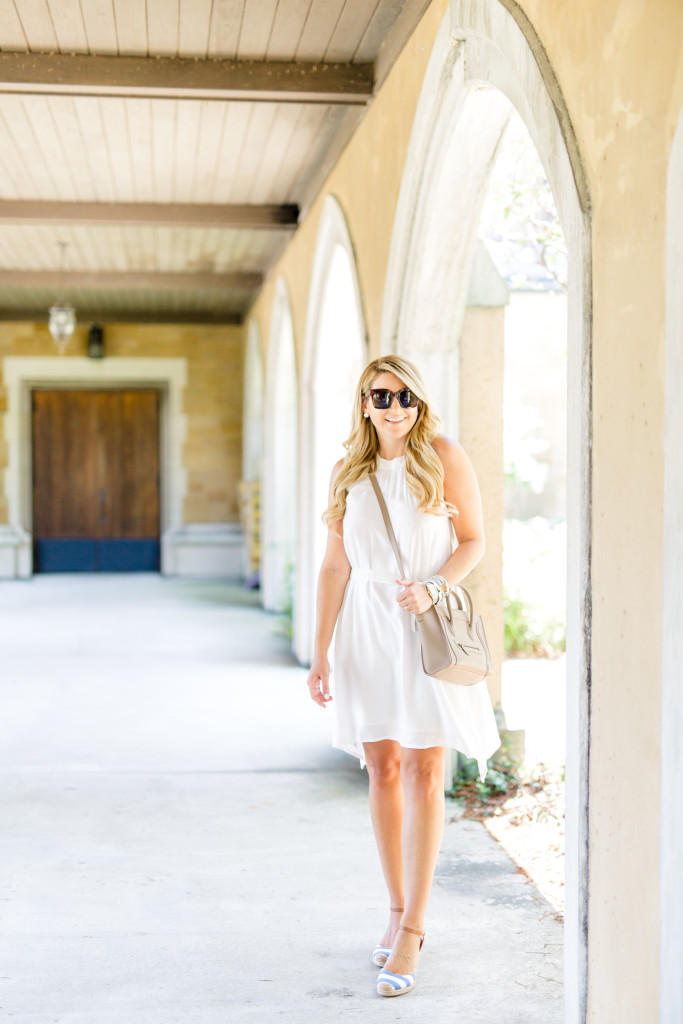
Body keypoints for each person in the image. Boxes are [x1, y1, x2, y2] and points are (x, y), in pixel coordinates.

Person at [306, 355, 500, 998]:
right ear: (364, 403)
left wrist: (434, 586)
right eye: (382, 397)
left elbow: (472, 539)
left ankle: (414, 928)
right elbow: (335, 567)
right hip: (365, 630)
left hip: (422, 625)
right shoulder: (346, 472)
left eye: (406, 397)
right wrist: (319, 652)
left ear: (419, 403)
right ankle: (393, 909)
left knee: (425, 768)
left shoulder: (443, 455)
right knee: (383, 767)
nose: (396, 409)